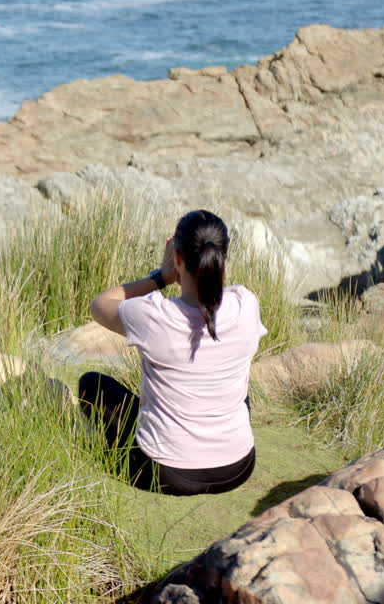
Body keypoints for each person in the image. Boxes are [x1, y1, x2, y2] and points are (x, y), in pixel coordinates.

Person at [79, 209, 264, 496]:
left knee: (92, 384)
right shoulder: (246, 304)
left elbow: (100, 305)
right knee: (236, 389)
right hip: (238, 468)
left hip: (167, 474)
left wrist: (161, 277)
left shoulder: (153, 315)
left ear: (178, 258)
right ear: (223, 256)